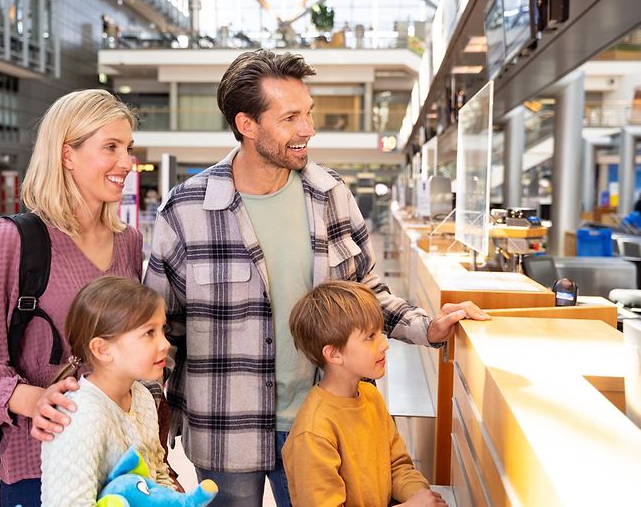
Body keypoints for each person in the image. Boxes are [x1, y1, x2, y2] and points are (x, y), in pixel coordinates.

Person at [144, 49, 487, 507]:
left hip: (321, 423)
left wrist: (427, 328)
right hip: (223, 427)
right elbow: (159, 329)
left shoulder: (331, 196)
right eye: (290, 118)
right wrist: (149, 420)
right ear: (247, 125)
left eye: (308, 113)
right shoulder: (185, 210)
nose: (308, 128)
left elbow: (366, 293)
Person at [0, 89, 143, 507]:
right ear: (67, 154)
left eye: (128, 148)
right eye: (111, 148)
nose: (127, 162)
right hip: (40, 468)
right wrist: (31, 399)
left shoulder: (129, 243)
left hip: (118, 467)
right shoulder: (15, 240)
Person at [283, 280, 446, 506]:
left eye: (380, 333)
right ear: (334, 354)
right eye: (370, 336)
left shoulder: (370, 396)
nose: (384, 344)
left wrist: (418, 495)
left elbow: (397, 466)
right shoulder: (313, 433)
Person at [41, 276, 175, 504]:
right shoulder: (80, 416)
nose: (165, 344)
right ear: (102, 349)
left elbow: (157, 474)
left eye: (163, 329)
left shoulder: (143, 396)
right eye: (149, 333)